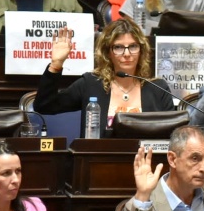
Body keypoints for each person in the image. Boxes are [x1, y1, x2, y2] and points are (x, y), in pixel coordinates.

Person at [34, 19, 175, 137]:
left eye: (133, 46)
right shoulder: (91, 84)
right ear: (108, 53)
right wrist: (56, 64)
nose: (127, 54)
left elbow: (173, 135)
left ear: (141, 50)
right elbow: (45, 105)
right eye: (118, 47)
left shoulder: (158, 88)